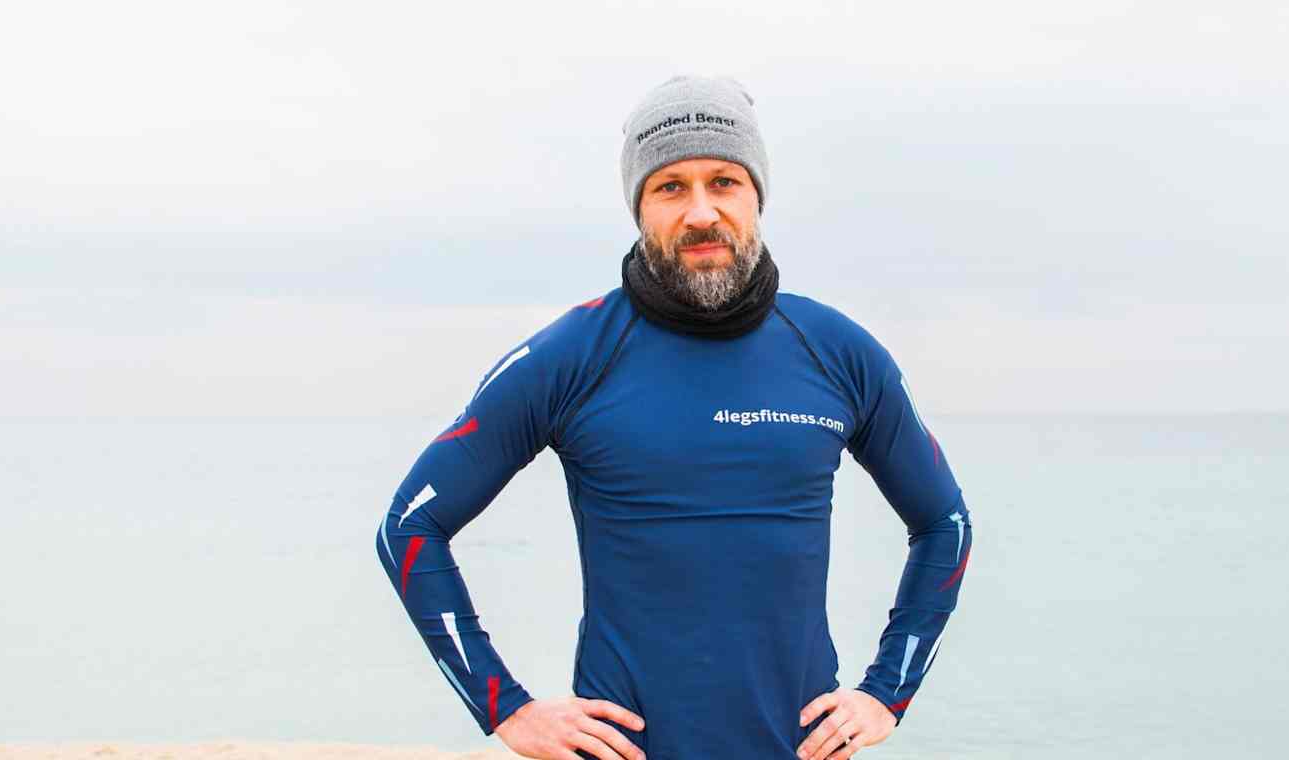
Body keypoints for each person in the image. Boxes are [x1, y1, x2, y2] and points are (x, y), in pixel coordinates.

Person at [375, 75, 973, 760]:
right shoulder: (570, 357)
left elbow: (944, 524)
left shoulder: (837, 351)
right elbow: (410, 526)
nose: (700, 213)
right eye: (670, 187)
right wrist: (506, 707)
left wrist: (885, 693)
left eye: (723, 182)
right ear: (638, 205)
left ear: (756, 197)